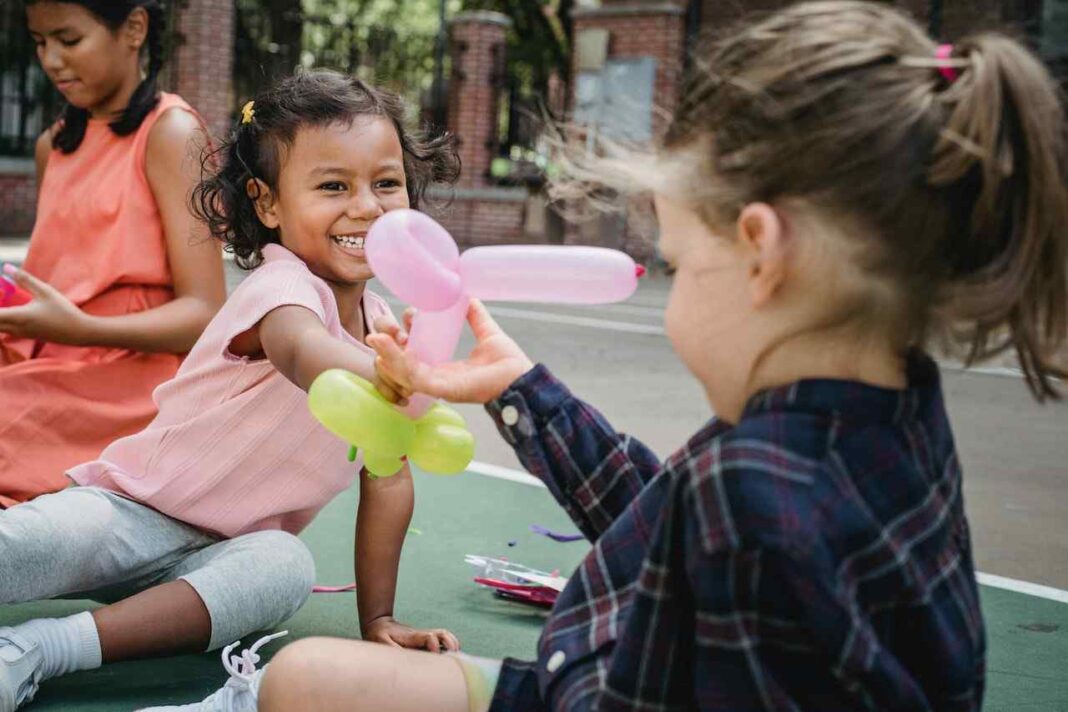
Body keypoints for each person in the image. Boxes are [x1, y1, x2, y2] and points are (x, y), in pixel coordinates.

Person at [229, 3, 1066, 711]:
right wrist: (520, 391)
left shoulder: (755, 500)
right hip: (607, 672)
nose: (674, 286)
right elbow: (651, 511)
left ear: (760, 255)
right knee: (310, 674)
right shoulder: (881, 414)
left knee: (301, 680)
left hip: (600, 689)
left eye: (682, 261)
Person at [0, 70, 462, 712]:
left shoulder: (384, 331)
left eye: (387, 183)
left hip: (222, 557)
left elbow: (388, 478)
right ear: (268, 204)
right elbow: (302, 352)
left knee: (285, 568)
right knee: (36, 541)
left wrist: (378, 619)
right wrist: (388, 379)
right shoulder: (284, 289)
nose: (366, 206)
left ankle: (39, 650)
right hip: (129, 512)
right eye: (333, 186)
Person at [0, 0, 227, 507]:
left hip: (130, 379)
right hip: (45, 355)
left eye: (68, 39)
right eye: (40, 43)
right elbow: (49, 283)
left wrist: (83, 330)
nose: (51, 60)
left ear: (134, 28)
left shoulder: (172, 134)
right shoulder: (52, 146)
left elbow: (206, 312)